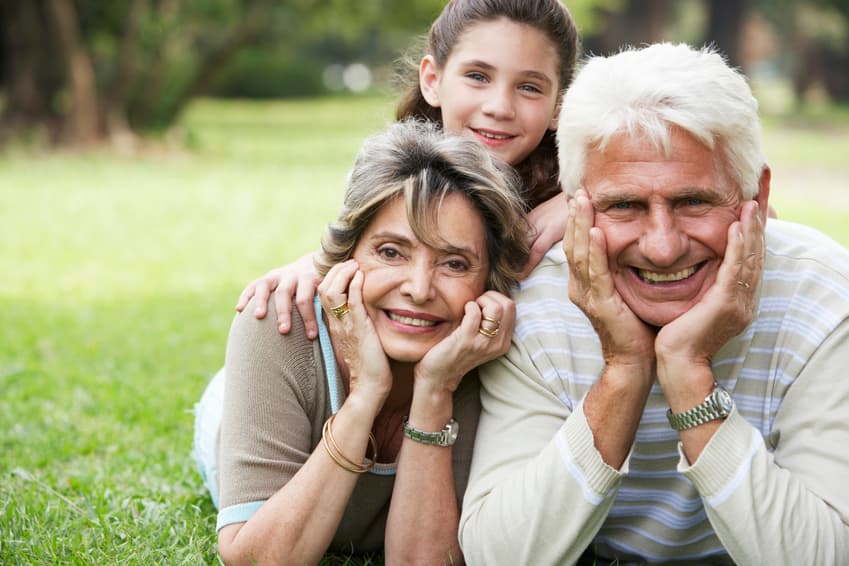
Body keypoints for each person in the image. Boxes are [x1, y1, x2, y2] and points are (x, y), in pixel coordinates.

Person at [459, 43, 849, 564]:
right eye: (625, 206)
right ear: (575, 207)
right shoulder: (535, 306)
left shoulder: (822, 295)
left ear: (755, 194)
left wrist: (688, 372)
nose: (663, 247)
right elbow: (497, 555)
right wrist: (624, 371)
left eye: (693, 202)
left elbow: (827, 554)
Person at [193, 119, 531, 565]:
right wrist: (365, 394)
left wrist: (434, 390)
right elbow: (254, 559)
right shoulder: (277, 323)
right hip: (245, 404)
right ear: (349, 254)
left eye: (453, 263)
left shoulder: (486, 354)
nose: (419, 288)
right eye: (391, 252)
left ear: (488, 280)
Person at [235, 0, 579, 339]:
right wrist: (317, 265)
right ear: (432, 80)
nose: (500, 107)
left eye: (529, 87)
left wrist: (583, 197)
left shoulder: (572, 194)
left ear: (559, 107)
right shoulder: (397, 176)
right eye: (478, 77)